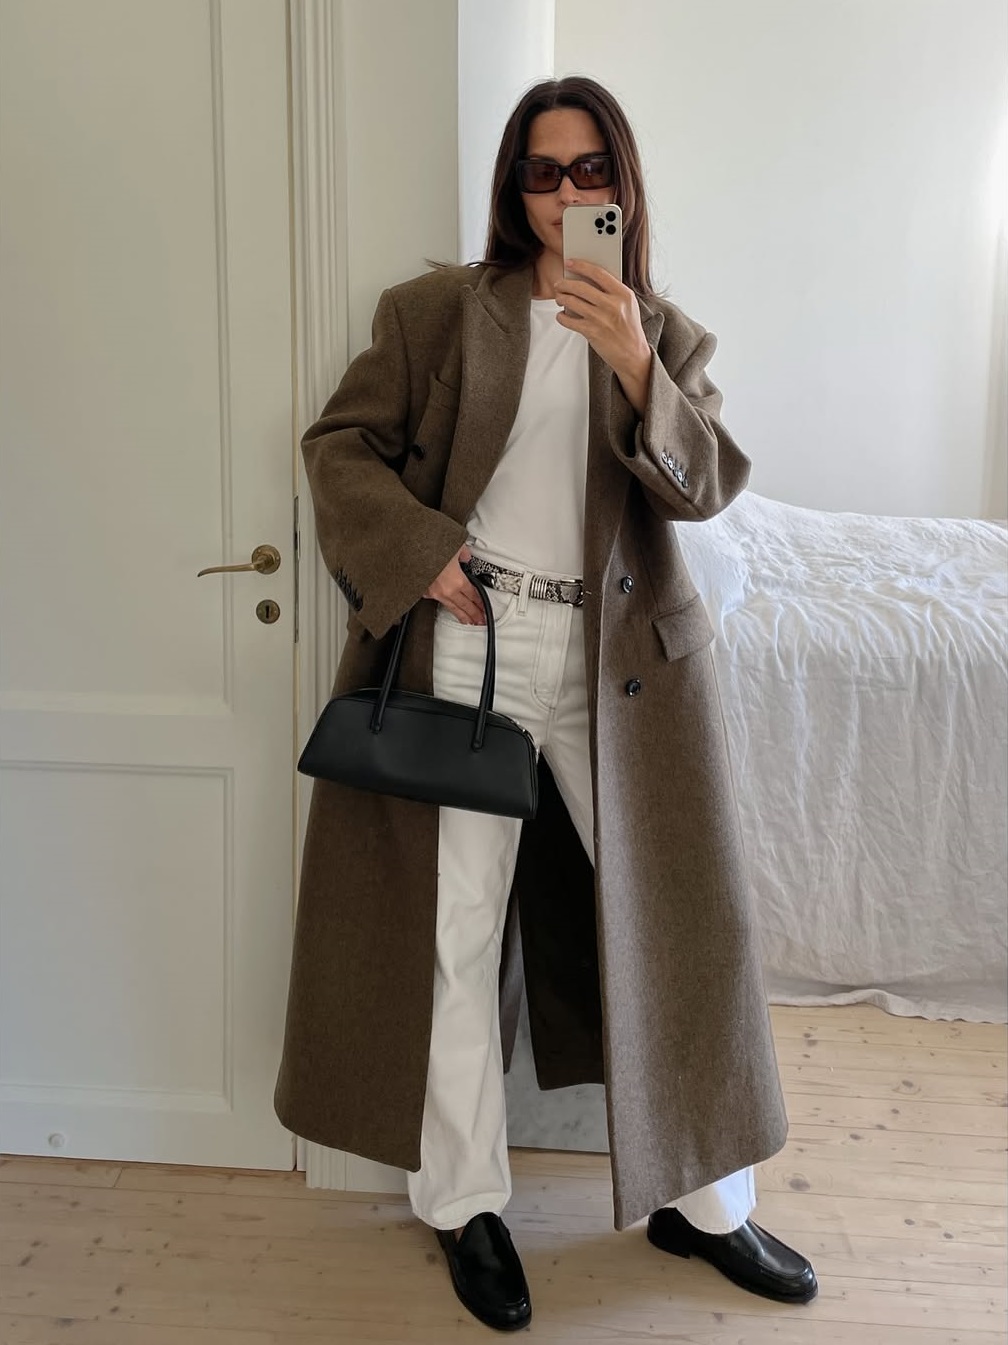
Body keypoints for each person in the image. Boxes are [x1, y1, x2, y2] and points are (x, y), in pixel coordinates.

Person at [274, 75, 817, 1332]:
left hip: (618, 664)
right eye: (541, 171)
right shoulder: (434, 314)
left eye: (590, 172)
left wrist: (633, 361)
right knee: (453, 931)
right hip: (472, 646)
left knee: (678, 924)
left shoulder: (666, 334)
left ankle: (707, 1204)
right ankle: (464, 1202)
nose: (566, 194)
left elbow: (704, 488)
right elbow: (339, 446)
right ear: (513, 186)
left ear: (622, 183)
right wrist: (423, 555)